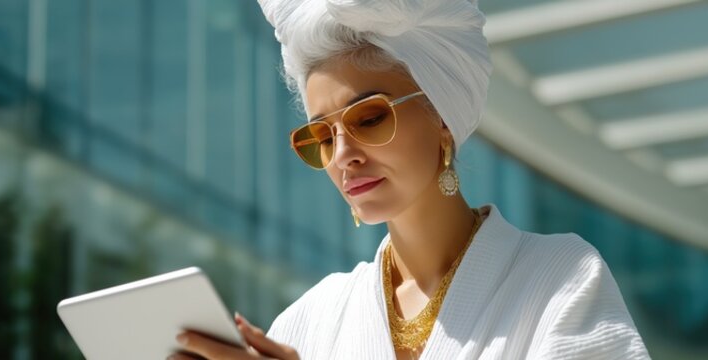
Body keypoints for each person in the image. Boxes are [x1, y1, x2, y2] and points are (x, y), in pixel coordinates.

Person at [172, 0, 649, 358]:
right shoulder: (309, 321)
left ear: (440, 117)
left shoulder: (561, 279)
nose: (343, 156)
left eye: (369, 118)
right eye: (322, 136)